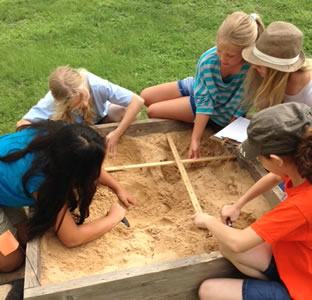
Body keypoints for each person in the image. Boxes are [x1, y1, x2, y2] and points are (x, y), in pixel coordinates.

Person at [192, 102, 312, 300]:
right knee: (226, 245)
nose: (259, 161)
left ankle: (282, 293)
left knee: (208, 290)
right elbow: (275, 177)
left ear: (277, 160)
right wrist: (238, 204)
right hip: (295, 260)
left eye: (260, 158)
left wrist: (207, 221)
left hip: (305, 289)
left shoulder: (301, 205)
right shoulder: (302, 166)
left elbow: (239, 242)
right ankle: (275, 286)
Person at [0, 120, 135, 273]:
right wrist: (114, 217)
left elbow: (89, 162)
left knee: (24, 238)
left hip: (4, 182)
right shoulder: (43, 183)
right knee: (13, 260)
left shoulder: (67, 136)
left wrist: (118, 187)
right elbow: (71, 238)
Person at [140, 11, 264, 159]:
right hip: (201, 90)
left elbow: (241, 102)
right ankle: (190, 111)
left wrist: (228, 128)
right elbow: (205, 99)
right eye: (219, 50)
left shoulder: (252, 69)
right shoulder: (208, 60)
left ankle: (193, 118)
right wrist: (195, 139)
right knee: (145, 97)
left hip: (220, 108)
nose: (223, 58)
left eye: (230, 55)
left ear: (246, 52)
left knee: (152, 111)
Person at [16, 66, 145, 156]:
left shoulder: (96, 85)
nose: (84, 103)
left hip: (102, 118)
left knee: (127, 112)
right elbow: (22, 124)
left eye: (86, 96)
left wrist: (117, 133)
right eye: (77, 103)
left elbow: (137, 101)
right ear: (64, 104)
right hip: (75, 132)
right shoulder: (51, 103)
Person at [242, 21, 312, 110]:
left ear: (276, 70)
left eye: (260, 64)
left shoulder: (309, 93)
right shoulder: (276, 79)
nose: (254, 67)